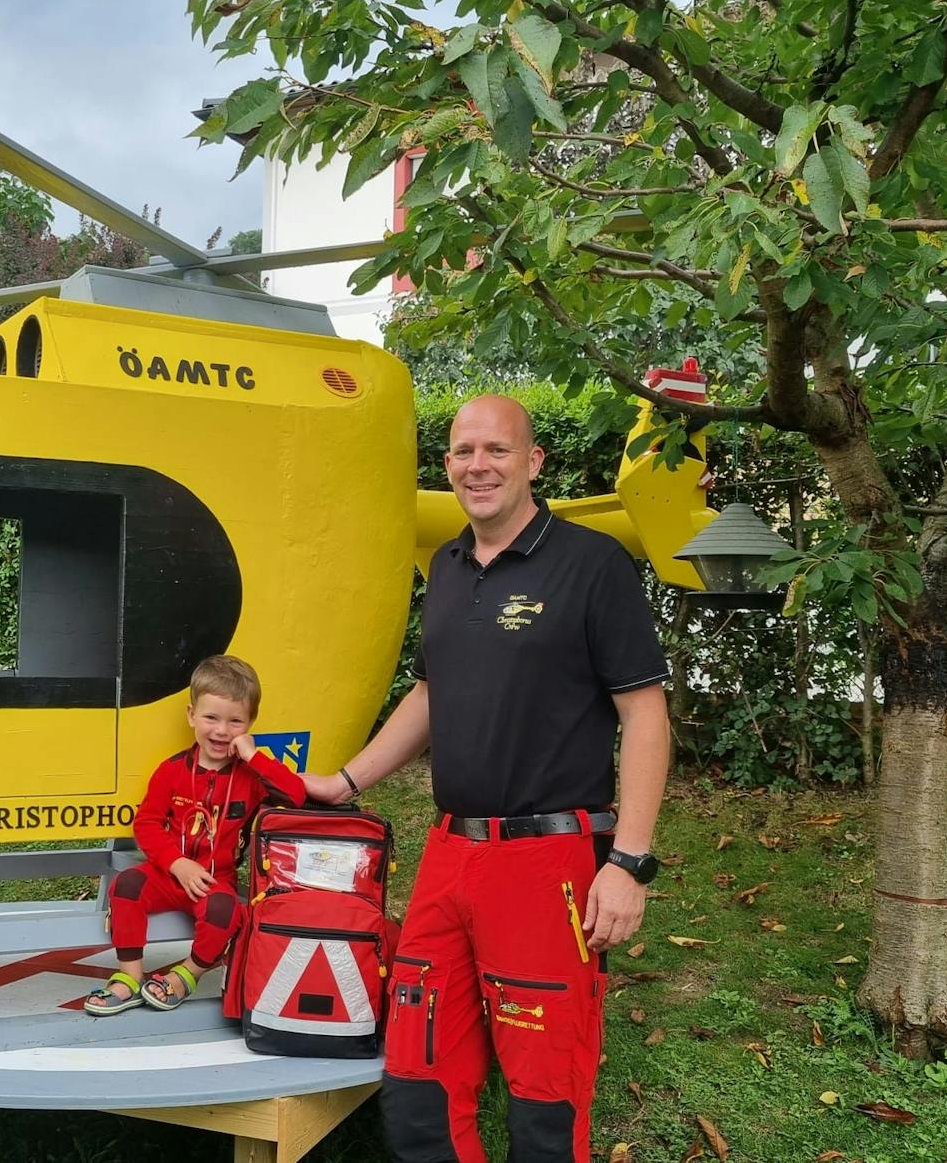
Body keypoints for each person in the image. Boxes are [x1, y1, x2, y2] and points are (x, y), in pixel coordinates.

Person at [304, 395, 671, 1163]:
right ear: (447, 466)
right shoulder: (443, 566)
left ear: (534, 462)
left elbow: (645, 716)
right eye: (464, 451)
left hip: (549, 862)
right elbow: (433, 692)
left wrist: (630, 862)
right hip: (449, 856)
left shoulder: (592, 564)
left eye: (498, 450)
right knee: (417, 1069)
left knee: (544, 1088)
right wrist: (347, 779)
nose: (479, 466)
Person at [85, 654, 306, 1015]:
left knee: (227, 910)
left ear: (249, 723)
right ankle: (129, 977)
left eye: (235, 721)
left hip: (214, 881)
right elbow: (147, 824)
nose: (221, 731)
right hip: (169, 873)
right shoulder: (171, 771)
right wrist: (177, 864)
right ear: (191, 715)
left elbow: (294, 793)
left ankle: (187, 974)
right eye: (211, 718)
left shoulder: (251, 778)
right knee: (125, 886)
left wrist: (254, 756)